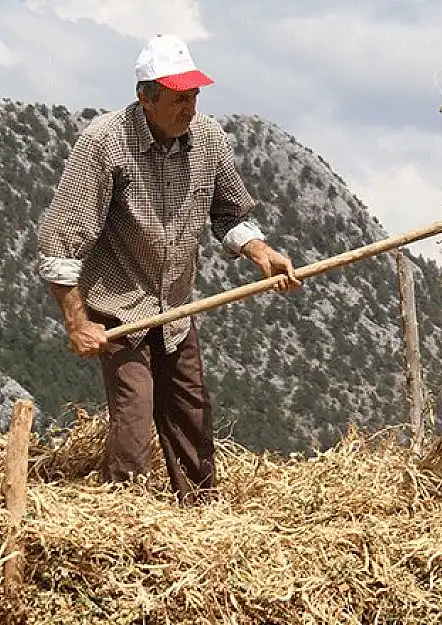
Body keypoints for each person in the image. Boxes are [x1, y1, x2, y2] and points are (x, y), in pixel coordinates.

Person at [35, 33, 301, 505]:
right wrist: (78, 320)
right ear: (146, 97)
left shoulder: (210, 141)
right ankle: (122, 517)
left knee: (191, 415)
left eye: (194, 96)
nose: (190, 108)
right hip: (120, 307)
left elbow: (230, 214)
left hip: (175, 306)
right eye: (179, 98)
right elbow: (60, 240)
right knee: (135, 420)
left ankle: (200, 513)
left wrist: (261, 252)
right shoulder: (105, 145)